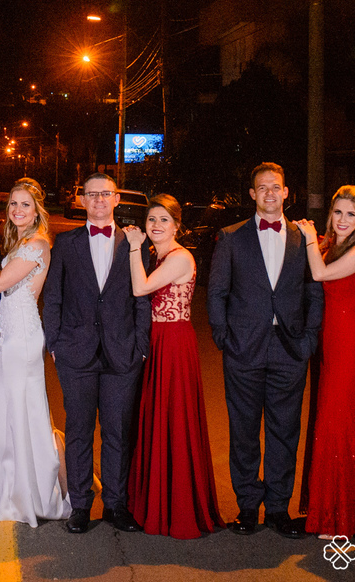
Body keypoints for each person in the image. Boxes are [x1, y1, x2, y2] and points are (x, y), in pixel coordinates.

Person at [207, 162, 323, 539]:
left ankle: (277, 508)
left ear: (286, 192)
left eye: (276, 187)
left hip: (290, 349)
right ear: (252, 194)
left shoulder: (304, 238)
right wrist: (224, 338)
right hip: (243, 349)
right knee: (243, 432)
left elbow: (314, 290)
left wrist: (308, 339)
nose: (270, 193)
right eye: (262, 187)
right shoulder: (231, 237)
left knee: (284, 432)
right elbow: (217, 292)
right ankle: (246, 507)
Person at [44, 172, 151, 534]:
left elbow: (142, 298)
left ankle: (116, 505)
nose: (99, 200)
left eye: (105, 194)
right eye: (92, 195)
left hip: (123, 354)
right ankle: (80, 505)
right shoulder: (66, 243)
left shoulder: (134, 243)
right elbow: (53, 297)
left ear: (116, 199)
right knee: (79, 431)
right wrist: (55, 344)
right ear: (82, 200)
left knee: (117, 432)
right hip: (75, 354)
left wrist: (141, 347)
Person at [123, 194, 223, 539]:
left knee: (173, 420)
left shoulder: (180, 257)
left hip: (173, 344)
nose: (156, 225)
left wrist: (133, 247)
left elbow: (140, 288)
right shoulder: (158, 255)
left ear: (177, 225)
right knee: (154, 419)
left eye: (164, 219)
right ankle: (151, 501)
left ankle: (175, 507)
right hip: (157, 341)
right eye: (151, 219)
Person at [0, 178, 71, 527]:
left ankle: (32, 493)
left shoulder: (38, 244)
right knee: (5, 413)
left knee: (22, 415)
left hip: (23, 340)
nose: (17, 210)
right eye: (13, 203)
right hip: (11, 339)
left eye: (25, 205)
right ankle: (8, 486)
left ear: (37, 211)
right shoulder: (21, 242)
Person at [293, 185, 355, 540]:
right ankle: (327, 508)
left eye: (350, 214)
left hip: (346, 342)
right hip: (326, 340)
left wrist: (309, 238)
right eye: (338, 212)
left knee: (337, 421)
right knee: (326, 420)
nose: (343, 219)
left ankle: (340, 516)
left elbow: (319, 275)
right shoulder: (331, 245)